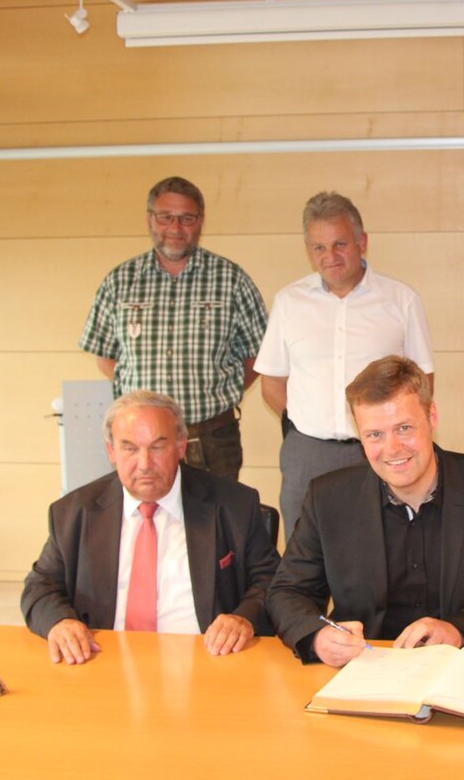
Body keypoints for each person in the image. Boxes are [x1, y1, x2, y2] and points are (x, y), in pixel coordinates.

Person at [266, 356, 464, 666]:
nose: (392, 449)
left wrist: (459, 630)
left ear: (432, 417)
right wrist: (317, 637)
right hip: (366, 671)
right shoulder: (328, 498)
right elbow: (287, 593)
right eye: (374, 434)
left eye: (403, 428)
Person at [21, 391, 280, 664]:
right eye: (130, 448)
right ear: (111, 451)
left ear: (180, 446)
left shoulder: (234, 505)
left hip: (208, 659)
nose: (144, 464)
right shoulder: (75, 512)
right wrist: (60, 622)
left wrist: (243, 618)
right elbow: (39, 587)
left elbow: (271, 579)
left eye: (157, 447)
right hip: (103, 659)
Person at [254, 191, 434, 541]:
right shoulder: (289, 302)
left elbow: (423, 382)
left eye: (340, 244)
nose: (330, 257)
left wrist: (392, 433)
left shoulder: (401, 301)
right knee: (304, 553)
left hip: (380, 453)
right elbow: (271, 383)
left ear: (362, 242)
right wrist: (298, 426)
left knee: (385, 547)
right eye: (319, 247)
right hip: (308, 453)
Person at [79, 176, 267, 481]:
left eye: (186, 218)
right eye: (165, 217)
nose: (175, 228)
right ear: (149, 219)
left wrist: (219, 391)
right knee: (146, 511)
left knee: (216, 512)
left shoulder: (231, 280)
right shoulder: (120, 282)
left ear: (200, 221)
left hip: (212, 439)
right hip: (140, 440)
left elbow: (258, 354)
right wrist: (143, 399)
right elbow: (105, 355)